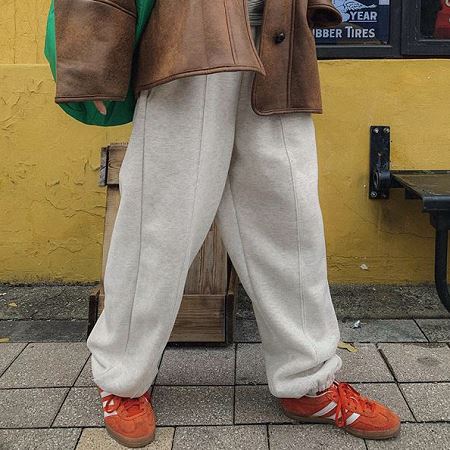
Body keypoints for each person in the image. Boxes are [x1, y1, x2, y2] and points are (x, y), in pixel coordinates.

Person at [53, 0, 401, 447]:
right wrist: (94, 61)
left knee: (291, 227)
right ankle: (122, 380)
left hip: (275, 41)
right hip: (188, 46)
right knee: (157, 228)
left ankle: (308, 380)